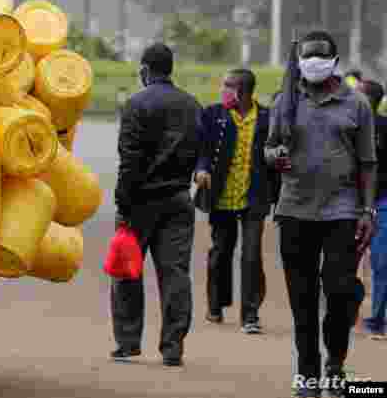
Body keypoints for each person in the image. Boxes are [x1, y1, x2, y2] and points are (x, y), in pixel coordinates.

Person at [265, 31, 378, 397]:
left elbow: (367, 163)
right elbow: (268, 150)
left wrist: (367, 209)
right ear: (298, 62)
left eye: (320, 56)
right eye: (307, 56)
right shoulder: (285, 101)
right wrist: (275, 155)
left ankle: (336, 362)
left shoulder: (356, 104)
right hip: (295, 210)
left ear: (334, 60)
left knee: (340, 292)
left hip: (342, 212)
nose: (313, 62)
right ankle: (308, 374)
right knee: (302, 299)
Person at [111, 43, 202, 368]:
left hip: (140, 203)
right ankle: (173, 346)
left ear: (146, 70)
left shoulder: (137, 104)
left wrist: (123, 202)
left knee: (127, 272)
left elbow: (129, 160)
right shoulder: (192, 105)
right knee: (176, 274)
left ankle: (128, 342)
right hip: (178, 199)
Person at [195, 68, 277, 334]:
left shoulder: (266, 117)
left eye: (229, 85)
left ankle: (250, 315)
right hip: (221, 195)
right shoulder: (213, 114)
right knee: (221, 252)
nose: (224, 89)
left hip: (255, 195)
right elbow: (203, 149)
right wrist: (201, 169)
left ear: (243, 91)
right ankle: (216, 304)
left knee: (252, 254)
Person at [358, 79, 387, 340]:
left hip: (381, 204)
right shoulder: (346, 125)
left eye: (359, 94)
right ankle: (342, 311)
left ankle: (377, 320)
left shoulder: (384, 127)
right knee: (343, 263)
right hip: (348, 203)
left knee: (381, 263)